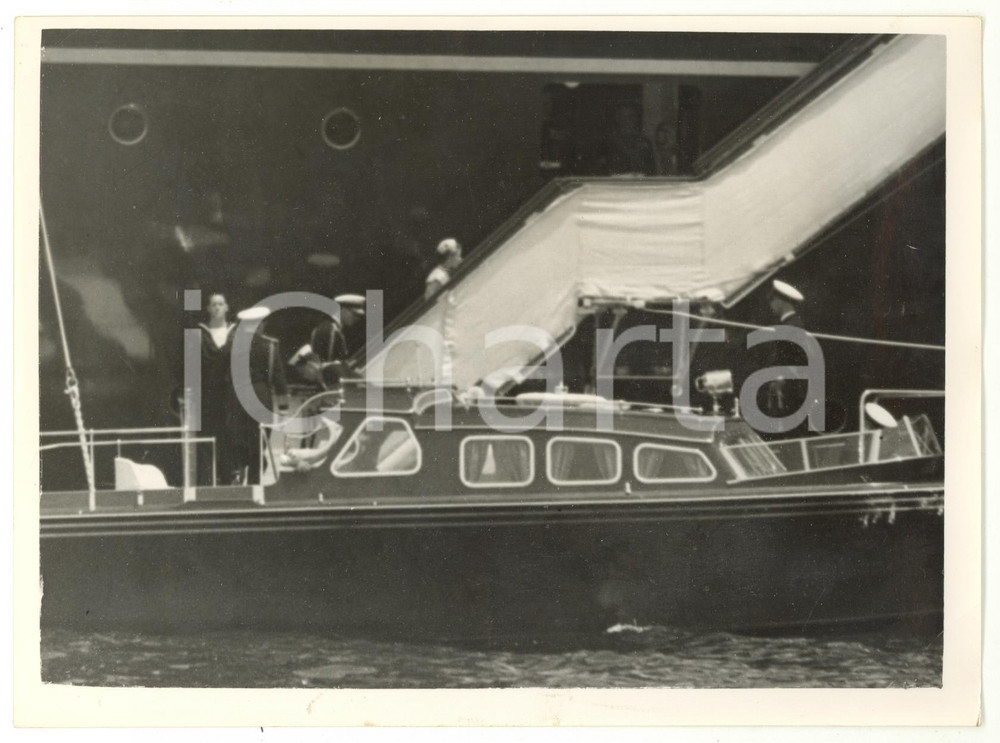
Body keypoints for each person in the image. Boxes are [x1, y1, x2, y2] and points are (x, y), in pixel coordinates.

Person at [229, 306, 289, 485]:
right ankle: (254, 483)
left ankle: (237, 476)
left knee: (238, 439)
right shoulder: (270, 346)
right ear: (261, 324)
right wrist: (284, 408)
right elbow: (278, 378)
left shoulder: (232, 344)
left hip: (236, 395)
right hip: (261, 396)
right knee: (258, 441)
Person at [196, 292, 236, 484]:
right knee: (207, 436)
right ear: (208, 309)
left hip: (231, 395)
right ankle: (207, 481)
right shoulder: (201, 334)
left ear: (227, 307)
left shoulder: (235, 333)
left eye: (221, 303)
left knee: (229, 436)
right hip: (208, 395)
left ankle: (229, 478)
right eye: (214, 304)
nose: (218, 307)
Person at [760, 279, 809, 428]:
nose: (771, 304)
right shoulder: (790, 324)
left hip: (789, 391)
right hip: (786, 389)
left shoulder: (792, 327)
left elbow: (797, 360)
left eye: (772, 299)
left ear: (782, 300)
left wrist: (781, 377)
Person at [290, 294, 366, 388]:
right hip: (331, 387)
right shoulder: (330, 330)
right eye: (354, 314)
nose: (357, 319)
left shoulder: (332, 328)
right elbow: (327, 366)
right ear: (343, 310)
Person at [603, 104, 656, 176]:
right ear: (617, 118)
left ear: (636, 118)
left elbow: (651, 170)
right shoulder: (608, 142)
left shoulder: (644, 142)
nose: (626, 120)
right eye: (623, 116)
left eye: (630, 116)